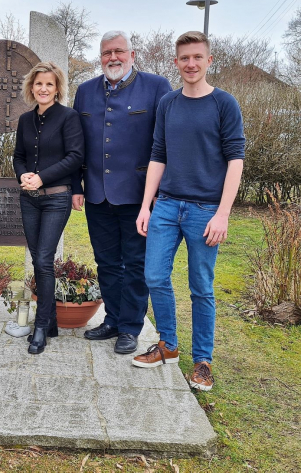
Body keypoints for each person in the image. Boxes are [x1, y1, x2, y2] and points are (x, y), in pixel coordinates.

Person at [133, 31, 244, 392]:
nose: (191, 64)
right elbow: (157, 155)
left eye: (197, 57)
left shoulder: (224, 104)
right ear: (176, 62)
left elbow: (235, 160)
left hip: (205, 210)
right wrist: (146, 205)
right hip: (166, 205)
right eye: (184, 58)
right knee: (154, 276)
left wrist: (223, 214)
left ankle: (202, 362)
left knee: (201, 288)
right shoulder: (168, 103)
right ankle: (168, 344)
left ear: (209, 61)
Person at [72, 30, 172, 354]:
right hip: (97, 195)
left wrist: (159, 193)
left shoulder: (157, 87)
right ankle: (112, 320)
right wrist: (76, 186)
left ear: (132, 54)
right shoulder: (85, 92)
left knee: (136, 263)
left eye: (118, 51)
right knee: (106, 263)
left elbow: (165, 144)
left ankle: (130, 327)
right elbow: (75, 146)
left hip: (139, 196)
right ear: (100, 57)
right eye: (106, 53)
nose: (112, 57)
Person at [14, 62, 84, 354]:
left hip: (56, 197)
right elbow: (18, 155)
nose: (43, 89)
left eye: (49, 85)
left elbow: (75, 157)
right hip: (28, 199)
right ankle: (51, 321)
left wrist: (41, 177)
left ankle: (40, 325)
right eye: (38, 84)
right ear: (32, 87)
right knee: (37, 258)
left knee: (43, 259)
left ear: (58, 89)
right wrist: (23, 175)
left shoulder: (69, 118)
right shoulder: (24, 120)